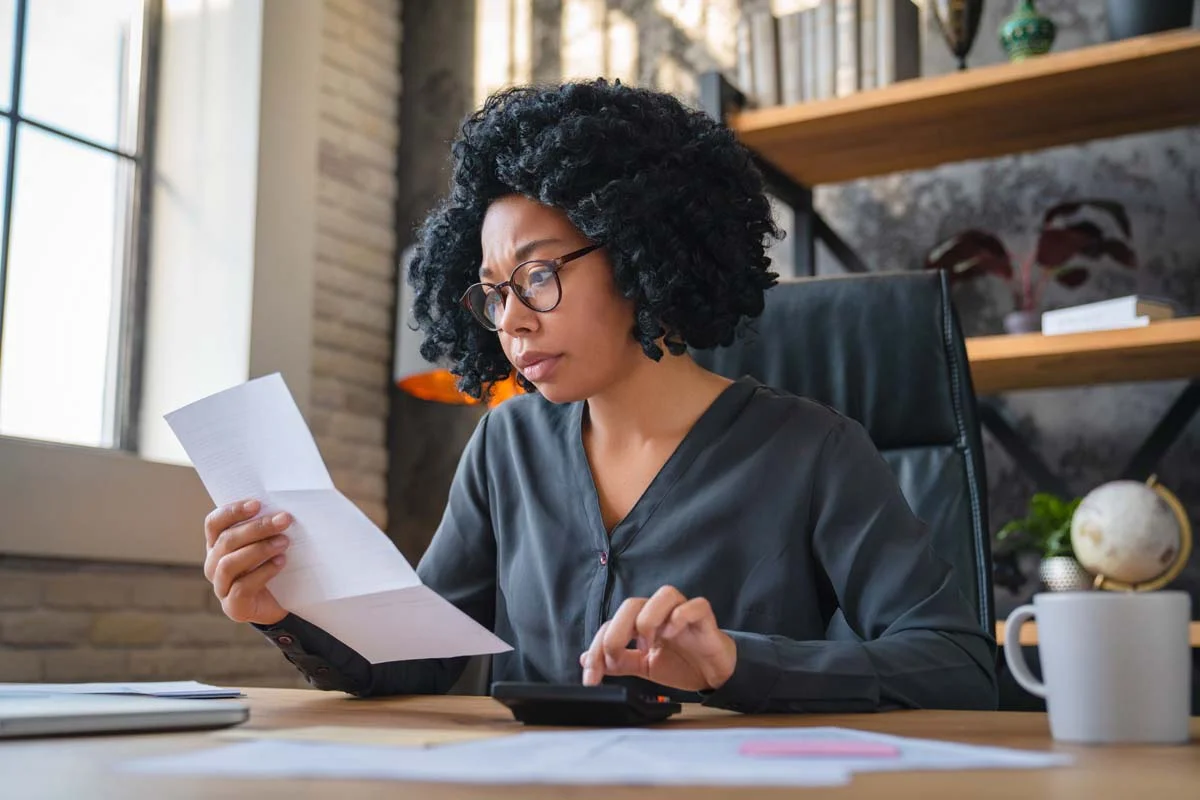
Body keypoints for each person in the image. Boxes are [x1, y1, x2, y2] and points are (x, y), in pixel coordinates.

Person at [201, 79, 997, 713]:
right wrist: (284, 609)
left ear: (644, 254)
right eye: (492, 292)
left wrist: (734, 663)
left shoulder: (813, 449)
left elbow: (956, 663)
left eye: (539, 275)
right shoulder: (506, 447)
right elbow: (423, 656)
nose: (510, 320)